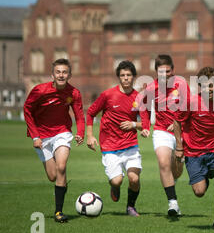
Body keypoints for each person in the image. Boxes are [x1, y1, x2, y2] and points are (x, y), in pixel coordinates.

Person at [173, 67, 214, 230]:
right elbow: (176, 122)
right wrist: (179, 147)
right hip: (194, 153)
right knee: (199, 191)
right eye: (207, 85)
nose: (210, 89)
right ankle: (207, 176)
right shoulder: (191, 102)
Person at [23, 58, 85, 223]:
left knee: (61, 166)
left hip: (62, 133)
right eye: (58, 72)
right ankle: (62, 183)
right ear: (52, 74)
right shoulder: (39, 91)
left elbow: (79, 115)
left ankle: (59, 212)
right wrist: (35, 135)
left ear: (69, 74)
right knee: (53, 176)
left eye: (64, 72)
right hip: (42, 137)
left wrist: (80, 133)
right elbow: (27, 109)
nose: (61, 75)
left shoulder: (74, 93)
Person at [86, 61, 150, 217]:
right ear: (118, 77)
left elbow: (146, 123)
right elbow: (90, 113)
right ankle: (114, 186)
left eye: (128, 75)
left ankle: (130, 207)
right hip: (110, 146)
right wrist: (90, 135)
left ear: (133, 77)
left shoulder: (139, 98)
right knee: (117, 181)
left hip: (130, 145)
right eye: (122, 75)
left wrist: (136, 126)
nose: (126, 78)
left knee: (134, 179)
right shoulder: (108, 95)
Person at [137, 55, 190, 216]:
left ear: (172, 70)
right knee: (163, 162)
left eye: (167, 71)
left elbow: (188, 107)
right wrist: (145, 125)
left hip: (181, 131)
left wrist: (178, 123)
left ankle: (177, 168)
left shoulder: (181, 84)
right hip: (161, 131)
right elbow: (143, 107)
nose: (165, 74)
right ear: (156, 72)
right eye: (161, 72)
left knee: (177, 170)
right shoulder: (151, 87)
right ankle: (172, 203)